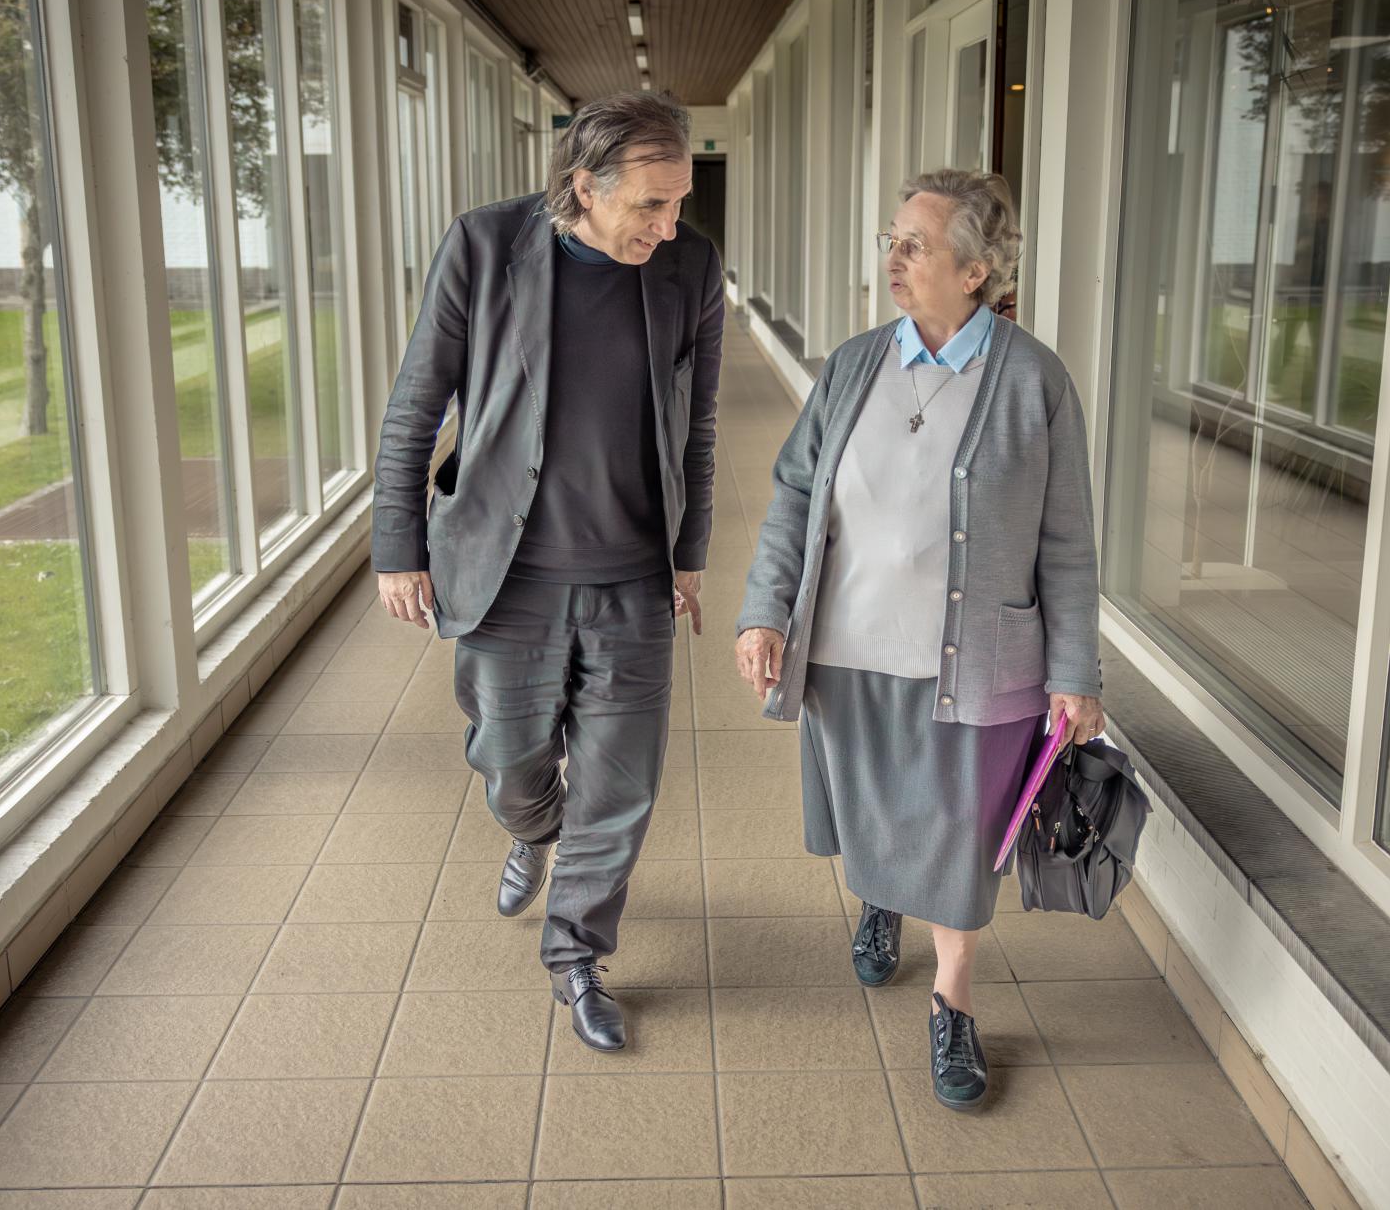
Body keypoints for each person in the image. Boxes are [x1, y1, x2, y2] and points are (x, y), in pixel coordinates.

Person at [734, 169, 1105, 1110]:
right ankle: (880, 899)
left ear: (977, 270)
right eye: (890, 241)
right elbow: (792, 494)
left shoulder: (1033, 381)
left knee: (955, 832)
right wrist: (764, 610)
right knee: (872, 804)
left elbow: (1066, 542)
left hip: (978, 664)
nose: (894, 260)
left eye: (916, 245)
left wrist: (1075, 673)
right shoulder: (855, 364)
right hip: (847, 650)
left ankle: (952, 1004)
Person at [373, 92, 724, 1052]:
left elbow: (696, 421)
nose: (668, 225)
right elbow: (415, 406)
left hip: (631, 577)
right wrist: (396, 546)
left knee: (620, 788)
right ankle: (532, 832)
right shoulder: (486, 247)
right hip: (506, 572)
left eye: (678, 202)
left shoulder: (689, 265)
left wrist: (689, 555)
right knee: (511, 765)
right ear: (584, 185)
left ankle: (576, 956)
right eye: (648, 205)